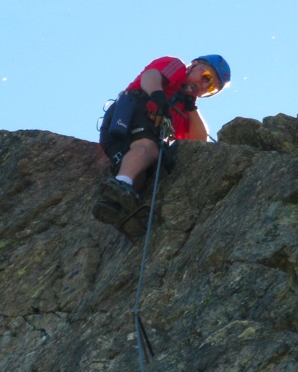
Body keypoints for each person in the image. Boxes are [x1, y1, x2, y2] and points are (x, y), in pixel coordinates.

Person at [93, 54, 231, 236]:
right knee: (150, 148)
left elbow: (198, 142)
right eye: (206, 77)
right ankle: (120, 184)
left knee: (140, 178)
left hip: (120, 135)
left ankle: (115, 203)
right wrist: (158, 97)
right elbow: (150, 76)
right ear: (194, 64)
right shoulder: (177, 67)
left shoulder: (183, 107)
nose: (205, 86)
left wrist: (191, 107)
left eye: (211, 88)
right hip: (131, 110)